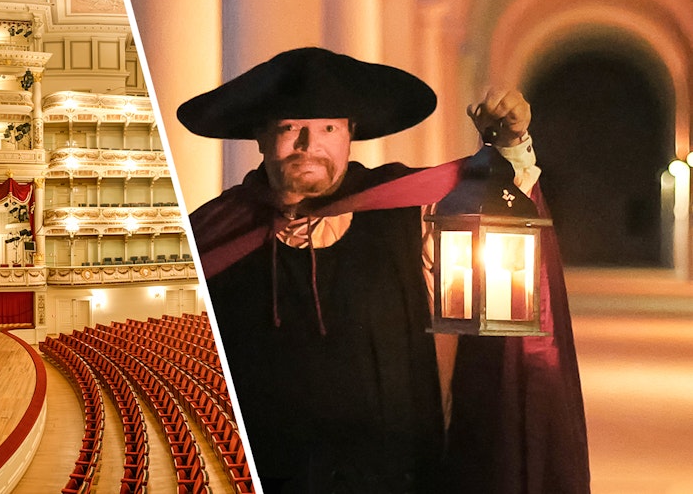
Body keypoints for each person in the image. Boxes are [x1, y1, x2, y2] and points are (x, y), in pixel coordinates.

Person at [179, 47, 589, 493]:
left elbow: (498, 204)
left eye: (328, 128)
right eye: (290, 127)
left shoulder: (408, 210)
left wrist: (509, 146)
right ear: (260, 136)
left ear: (350, 134)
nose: (309, 145)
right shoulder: (214, 233)